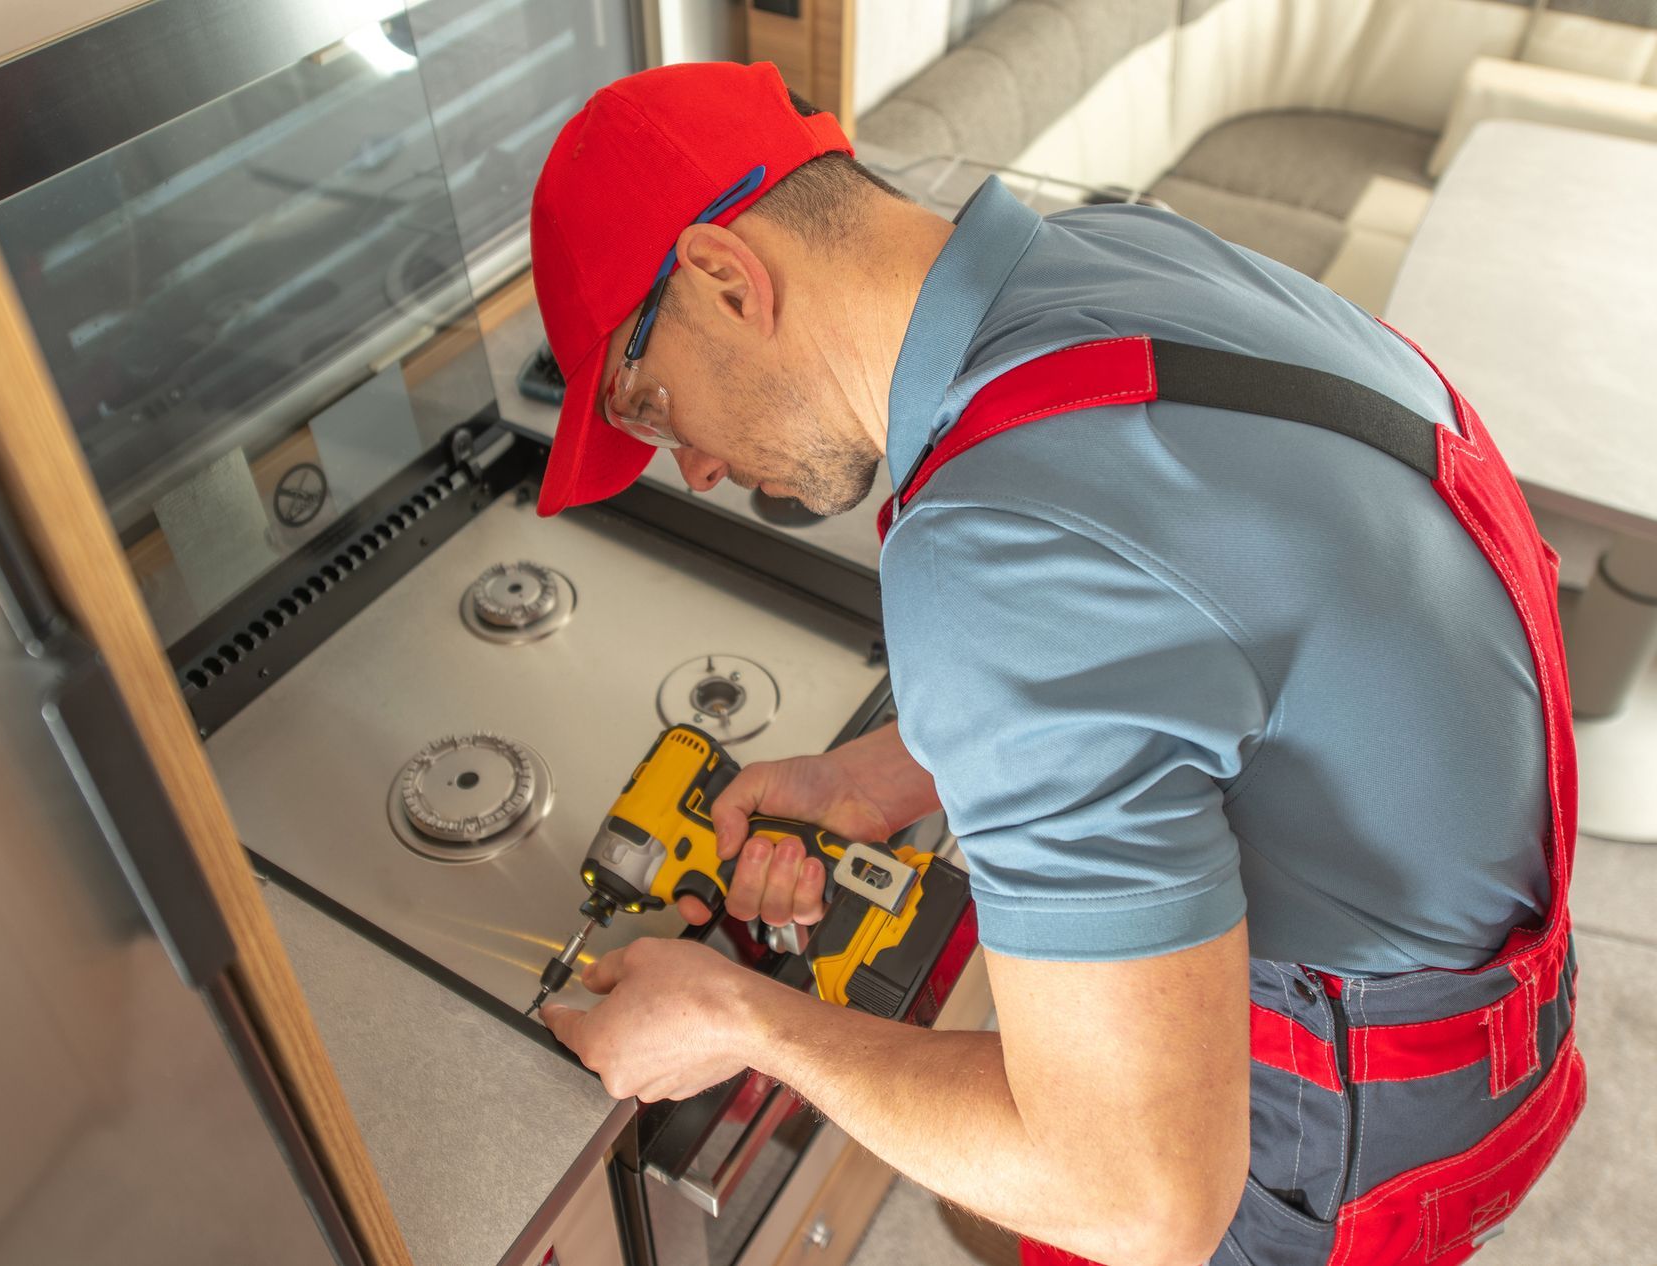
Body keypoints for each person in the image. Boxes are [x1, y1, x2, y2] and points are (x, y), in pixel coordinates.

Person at [529, 61, 1582, 1266]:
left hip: (1340, 1159)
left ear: (724, 279)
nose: (695, 470)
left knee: (1049, 1182)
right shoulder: (1120, 252)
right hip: (1497, 1017)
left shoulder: (993, 548)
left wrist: (742, 1020)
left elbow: (1136, 1202)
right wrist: (888, 772)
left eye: (651, 406)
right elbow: (1197, 620)